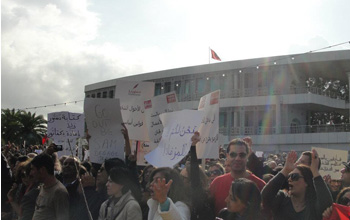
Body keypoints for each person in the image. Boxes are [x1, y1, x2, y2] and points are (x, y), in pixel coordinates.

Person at [261, 150, 333, 220]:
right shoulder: (281, 198)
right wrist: (285, 170)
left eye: (294, 176)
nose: (289, 179)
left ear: (307, 182)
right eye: (289, 176)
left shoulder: (313, 205)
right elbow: (264, 197)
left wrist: (315, 172)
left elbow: (326, 205)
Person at [210, 138, 266, 215]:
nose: (237, 158)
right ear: (227, 156)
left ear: (247, 156)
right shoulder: (217, 183)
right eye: (233, 154)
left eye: (242, 155)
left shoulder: (260, 185)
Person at [30, 153, 69, 220]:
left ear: (42, 170)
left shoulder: (59, 192)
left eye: (33, 169)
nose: (31, 173)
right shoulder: (43, 187)